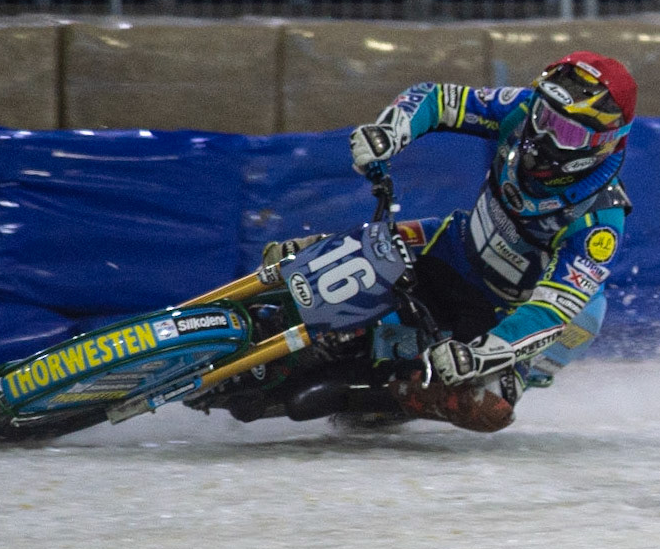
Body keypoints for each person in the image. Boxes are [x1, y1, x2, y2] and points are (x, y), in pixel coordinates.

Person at [273, 51, 636, 433]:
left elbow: (553, 310)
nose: (541, 135)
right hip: (451, 244)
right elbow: (439, 99)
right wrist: (392, 132)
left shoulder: (600, 221)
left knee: (489, 408)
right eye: (545, 117)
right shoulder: (522, 109)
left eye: (566, 132)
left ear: (604, 143)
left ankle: (374, 396)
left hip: (501, 314)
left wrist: (484, 352)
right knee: (296, 254)